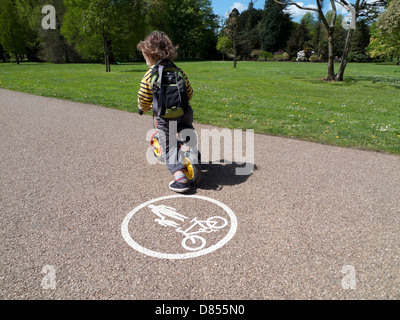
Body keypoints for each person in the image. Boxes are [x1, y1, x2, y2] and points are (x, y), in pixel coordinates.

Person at [137, 31, 194, 193]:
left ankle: (180, 179)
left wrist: (143, 108)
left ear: (150, 55)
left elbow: (144, 96)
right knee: (186, 129)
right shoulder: (179, 71)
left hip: (165, 117)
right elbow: (189, 93)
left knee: (168, 147)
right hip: (184, 112)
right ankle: (191, 148)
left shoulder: (150, 74)